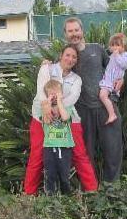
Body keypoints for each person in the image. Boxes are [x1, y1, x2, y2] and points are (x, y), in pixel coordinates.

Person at [23, 44, 98, 195]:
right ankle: (28, 195)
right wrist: (46, 107)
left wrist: (57, 109)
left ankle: (93, 192)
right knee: (37, 156)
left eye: (74, 57)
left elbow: (73, 97)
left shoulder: (76, 79)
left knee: (79, 154)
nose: (70, 59)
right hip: (41, 119)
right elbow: (41, 90)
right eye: (68, 55)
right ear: (61, 55)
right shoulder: (47, 69)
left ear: (76, 61)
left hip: (67, 119)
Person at [63, 17, 124, 182]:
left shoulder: (96, 48)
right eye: (70, 31)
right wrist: (46, 63)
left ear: (82, 31)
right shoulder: (66, 56)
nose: (74, 34)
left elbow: (114, 66)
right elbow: (55, 74)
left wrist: (121, 79)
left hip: (106, 108)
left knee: (113, 152)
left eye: (76, 30)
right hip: (82, 112)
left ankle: (112, 191)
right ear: (66, 34)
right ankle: (89, 194)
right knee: (85, 156)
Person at [40, 80, 75, 194]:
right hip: (49, 147)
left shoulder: (67, 107)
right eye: (51, 94)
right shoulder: (45, 109)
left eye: (57, 93)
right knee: (50, 174)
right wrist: (48, 103)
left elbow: (64, 117)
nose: (54, 96)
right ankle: (50, 198)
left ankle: (67, 197)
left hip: (65, 147)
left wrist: (59, 101)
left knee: (64, 175)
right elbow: (47, 119)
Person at [99, 33, 127, 125]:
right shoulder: (112, 55)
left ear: (124, 46)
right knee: (104, 96)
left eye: (117, 45)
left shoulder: (125, 55)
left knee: (102, 96)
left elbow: (124, 65)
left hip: (112, 81)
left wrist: (117, 56)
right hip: (108, 80)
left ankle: (112, 114)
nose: (114, 47)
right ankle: (111, 113)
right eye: (112, 45)